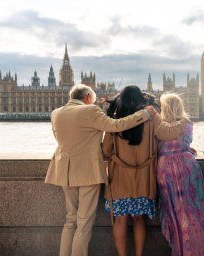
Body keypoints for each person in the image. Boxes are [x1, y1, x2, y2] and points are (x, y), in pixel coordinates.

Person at [45, 84, 156, 256]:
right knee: (83, 224)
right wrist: (144, 114)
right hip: (87, 172)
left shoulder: (56, 113)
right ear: (88, 97)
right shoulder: (90, 111)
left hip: (63, 171)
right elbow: (116, 125)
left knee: (70, 220)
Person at [102, 86, 186, 256]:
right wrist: (183, 121)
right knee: (140, 219)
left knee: (119, 220)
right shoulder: (150, 117)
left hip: (119, 179)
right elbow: (167, 134)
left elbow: (105, 151)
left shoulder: (114, 121)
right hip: (144, 179)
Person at [156, 93, 204, 256]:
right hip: (187, 165)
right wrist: (185, 148)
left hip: (165, 169)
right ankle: (202, 250)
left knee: (175, 214)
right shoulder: (188, 123)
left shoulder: (157, 125)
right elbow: (184, 142)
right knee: (196, 212)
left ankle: (182, 250)